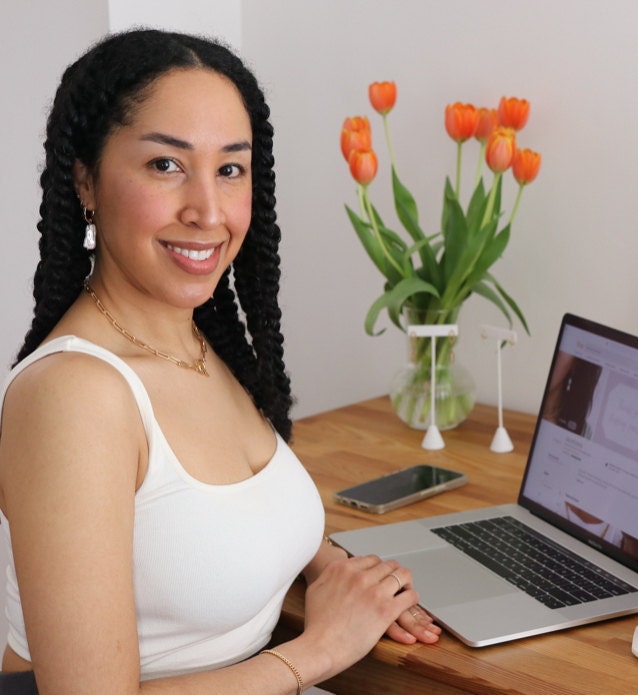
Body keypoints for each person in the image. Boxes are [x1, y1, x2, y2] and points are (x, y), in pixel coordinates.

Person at [0, 28, 439, 693]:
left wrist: (336, 571)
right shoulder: (74, 394)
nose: (208, 211)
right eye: (166, 165)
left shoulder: (201, 341)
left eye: (230, 168)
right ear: (85, 179)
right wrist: (320, 648)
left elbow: (208, 516)